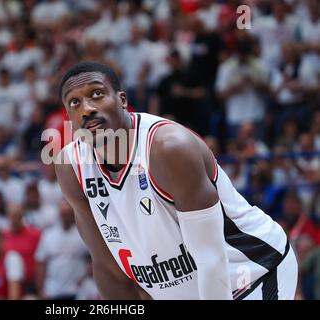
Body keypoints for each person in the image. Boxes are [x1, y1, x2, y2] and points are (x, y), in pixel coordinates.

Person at [55, 62, 298, 300]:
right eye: (74, 102)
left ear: (122, 100)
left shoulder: (168, 148)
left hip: (252, 274)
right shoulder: (71, 167)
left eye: (97, 94)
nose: (86, 108)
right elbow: (108, 268)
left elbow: (210, 259)